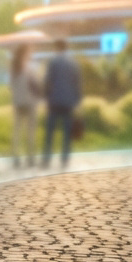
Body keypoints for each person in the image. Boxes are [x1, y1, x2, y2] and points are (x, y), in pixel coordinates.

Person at [41, 39, 81, 167]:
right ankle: (65, 159)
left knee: (50, 131)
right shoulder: (73, 63)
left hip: (54, 101)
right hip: (68, 102)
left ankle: (47, 158)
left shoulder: (53, 62)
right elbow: (77, 84)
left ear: (56, 48)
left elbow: (48, 81)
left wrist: (46, 98)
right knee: (66, 131)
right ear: (66, 48)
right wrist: (77, 101)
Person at [8, 43, 40, 167]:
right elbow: (35, 85)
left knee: (17, 131)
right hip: (30, 102)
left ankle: (16, 157)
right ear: (26, 53)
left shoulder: (13, 68)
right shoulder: (30, 67)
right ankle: (30, 158)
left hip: (18, 102)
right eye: (29, 52)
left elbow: (10, 86)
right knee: (30, 132)